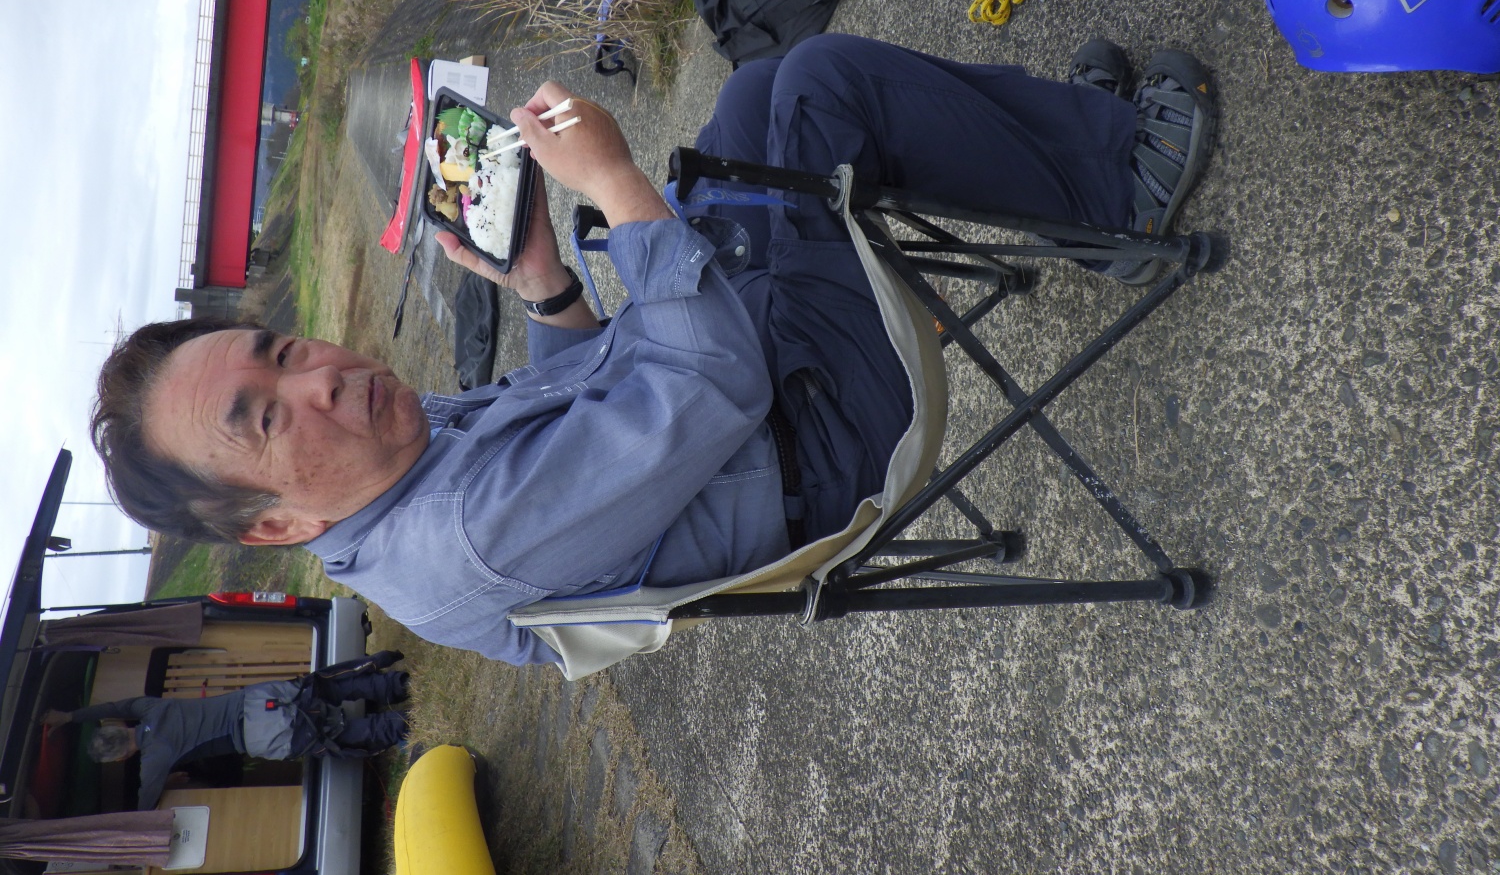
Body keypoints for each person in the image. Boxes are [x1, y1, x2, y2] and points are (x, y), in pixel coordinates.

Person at [91, 34, 1216, 667]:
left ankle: (1046, 162)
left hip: (750, 400)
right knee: (818, 96)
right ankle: (1114, 192)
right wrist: (616, 186)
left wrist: (542, 282)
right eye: (269, 414)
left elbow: (583, 413)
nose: (323, 377)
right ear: (275, 526)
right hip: (821, 439)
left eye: (282, 349)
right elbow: (705, 385)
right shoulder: (464, 536)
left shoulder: (384, 476)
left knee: (757, 98)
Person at [43, 655, 410, 809]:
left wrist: (164, 782)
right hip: (260, 698)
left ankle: (400, 725)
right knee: (328, 689)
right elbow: (113, 707)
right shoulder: (149, 708)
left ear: (122, 756)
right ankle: (396, 684)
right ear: (120, 727)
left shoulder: (155, 761)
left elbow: (143, 805)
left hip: (262, 733)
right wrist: (70, 716)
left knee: (335, 735)